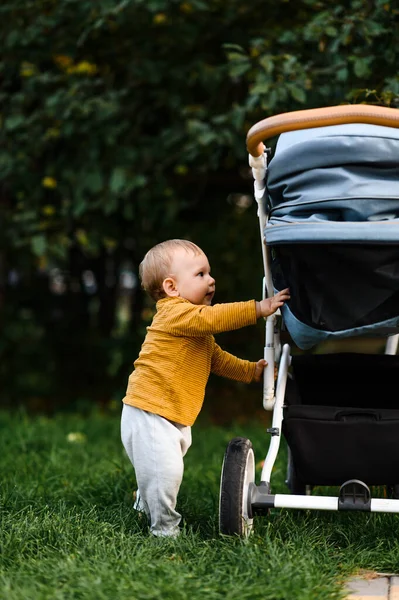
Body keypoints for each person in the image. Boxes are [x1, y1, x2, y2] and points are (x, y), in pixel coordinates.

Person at [121, 239, 290, 538]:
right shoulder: (175, 314)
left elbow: (218, 360)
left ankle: (145, 504)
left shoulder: (195, 327)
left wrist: (251, 371)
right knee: (165, 473)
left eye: (209, 273)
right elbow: (215, 317)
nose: (211, 280)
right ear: (172, 288)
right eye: (200, 275)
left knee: (160, 473)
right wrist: (258, 309)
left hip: (172, 414)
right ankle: (164, 530)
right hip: (149, 411)